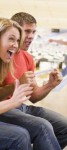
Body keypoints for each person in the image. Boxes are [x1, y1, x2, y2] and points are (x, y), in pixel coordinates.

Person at [0, 12, 67, 150]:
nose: (31, 36)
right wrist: (15, 86)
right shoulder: (5, 58)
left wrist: (50, 85)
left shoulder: (27, 57)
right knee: (41, 127)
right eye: (27, 31)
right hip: (6, 109)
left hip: (20, 107)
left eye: (34, 32)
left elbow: (34, 96)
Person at [0, 17, 33, 150]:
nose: (16, 44)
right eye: (11, 39)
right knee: (20, 136)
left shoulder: (3, 65)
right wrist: (12, 102)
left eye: (17, 40)